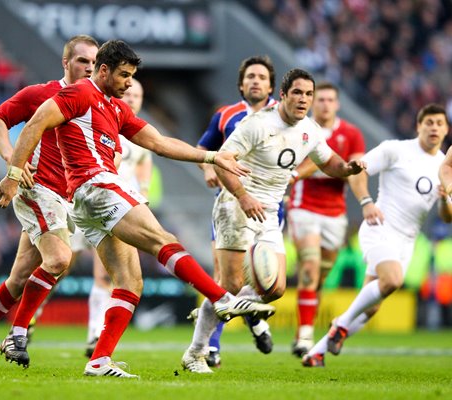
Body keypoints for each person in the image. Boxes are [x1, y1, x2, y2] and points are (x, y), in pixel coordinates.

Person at [0, 39, 275, 378]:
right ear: (104, 70)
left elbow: (159, 143)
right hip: (96, 186)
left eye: (131, 76)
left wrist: (212, 156)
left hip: (86, 199)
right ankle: (220, 298)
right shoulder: (80, 94)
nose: (129, 83)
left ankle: (99, 361)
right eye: (124, 75)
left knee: (129, 282)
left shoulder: (116, 108)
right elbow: (36, 123)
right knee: (161, 239)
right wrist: (13, 172)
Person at [181, 68, 366, 374]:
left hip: (268, 212)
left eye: (309, 94)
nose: (304, 99)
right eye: (297, 93)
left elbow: (329, 161)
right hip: (235, 204)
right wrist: (243, 197)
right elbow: (224, 162)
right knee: (228, 285)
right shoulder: (258, 124)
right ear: (282, 95)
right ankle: (196, 352)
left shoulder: (309, 129)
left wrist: (348, 169)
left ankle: (222, 310)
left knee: (275, 288)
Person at [0, 35, 99, 371]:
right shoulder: (41, 94)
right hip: (38, 191)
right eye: (81, 61)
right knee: (60, 258)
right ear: (66, 63)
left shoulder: (96, 103)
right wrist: (11, 160)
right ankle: (18, 333)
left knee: (18, 280)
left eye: (93, 63)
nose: (88, 68)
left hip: (68, 200)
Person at [302, 103, 452, 368]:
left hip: (406, 242)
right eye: (429, 122)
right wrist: (366, 202)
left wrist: (443, 200)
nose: (434, 128)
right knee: (393, 279)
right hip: (380, 227)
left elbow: (447, 216)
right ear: (418, 126)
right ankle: (341, 327)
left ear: (446, 129)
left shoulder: (444, 167)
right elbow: (357, 170)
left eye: (439, 123)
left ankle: (317, 351)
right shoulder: (395, 149)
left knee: (370, 308)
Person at [196, 55, 279, 367]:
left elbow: (312, 149)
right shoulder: (225, 115)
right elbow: (205, 148)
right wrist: (207, 169)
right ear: (241, 84)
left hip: (270, 206)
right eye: (250, 77)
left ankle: (253, 318)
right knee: (224, 278)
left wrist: (297, 173)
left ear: (271, 85)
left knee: (265, 280)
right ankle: (212, 346)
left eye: (261, 77)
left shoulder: (283, 117)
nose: (255, 81)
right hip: (230, 204)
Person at [287, 82, 365, 357]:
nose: (324, 104)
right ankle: (305, 338)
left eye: (330, 100)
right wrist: (328, 166)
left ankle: (302, 328)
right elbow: (292, 168)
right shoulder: (299, 129)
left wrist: (364, 199)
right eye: (319, 99)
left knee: (319, 278)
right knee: (309, 268)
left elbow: (355, 170)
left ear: (337, 104)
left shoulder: (351, 134)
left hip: (335, 213)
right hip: (303, 206)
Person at [85, 78, 153, 357]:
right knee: (62, 264)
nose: (133, 98)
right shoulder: (105, 122)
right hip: (96, 202)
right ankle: (29, 320)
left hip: (123, 210)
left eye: (138, 94)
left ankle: (96, 336)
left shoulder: (139, 135)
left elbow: (144, 169)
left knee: (112, 275)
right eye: (130, 92)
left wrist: (144, 196)